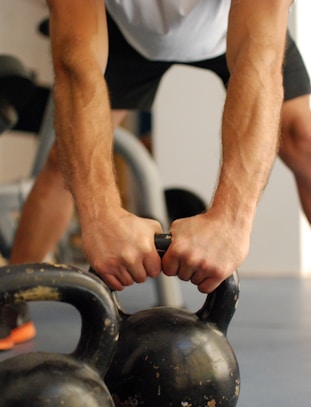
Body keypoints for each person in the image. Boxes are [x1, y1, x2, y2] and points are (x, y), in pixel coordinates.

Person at [1, 0, 310, 350]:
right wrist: (100, 217)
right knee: (63, 164)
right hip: (125, 34)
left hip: (234, 24)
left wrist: (231, 221)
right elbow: (76, 64)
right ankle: (10, 306)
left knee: (303, 138)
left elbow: (261, 61)